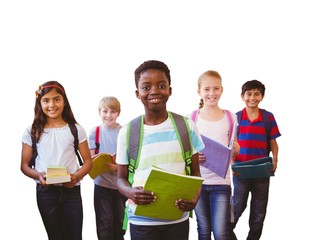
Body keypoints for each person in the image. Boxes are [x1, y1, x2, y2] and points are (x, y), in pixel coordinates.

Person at [115, 60, 205, 240]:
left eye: (161, 85)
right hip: (142, 222)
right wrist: (130, 192)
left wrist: (194, 199)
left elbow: (195, 173)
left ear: (170, 90)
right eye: (146, 87)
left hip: (177, 220)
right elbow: (120, 179)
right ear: (137, 93)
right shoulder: (128, 131)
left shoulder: (187, 126)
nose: (154, 91)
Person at [20, 81, 93, 240]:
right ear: (39, 103)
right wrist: (39, 176)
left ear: (64, 101)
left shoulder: (75, 129)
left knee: (75, 236)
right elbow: (24, 166)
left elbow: (88, 162)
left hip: (71, 191)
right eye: (46, 100)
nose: (52, 104)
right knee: (55, 236)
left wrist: (76, 177)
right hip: (46, 193)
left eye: (57, 99)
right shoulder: (32, 131)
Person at [190, 70, 240, 240]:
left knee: (221, 232)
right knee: (203, 230)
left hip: (221, 182)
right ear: (199, 92)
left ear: (222, 90)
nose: (212, 94)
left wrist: (235, 150)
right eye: (207, 89)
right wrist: (194, 156)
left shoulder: (230, 117)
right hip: (198, 183)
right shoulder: (192, 118)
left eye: (216, 88)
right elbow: (186, 152)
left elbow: (234, 147)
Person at [229, 80, 281, 240]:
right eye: (249, 94)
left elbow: (273, 142)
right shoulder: (235, 118)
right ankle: (225, 233)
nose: (252, 97)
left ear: (262, 96)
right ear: (242, 96)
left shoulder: (268, 117)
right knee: (236, 207)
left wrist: (275, 161)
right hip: (241, 173)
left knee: (258, 213)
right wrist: (232, 165)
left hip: (262, 173)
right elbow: (230, 144)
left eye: (256, 94)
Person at [88, 96, 127, 240]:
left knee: (120, 221)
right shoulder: (95, 132)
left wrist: (118, 168)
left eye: (113, 112)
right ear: (99, 112)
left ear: (118, 113)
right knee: (104, 222)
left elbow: (131, 160)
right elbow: (90, 159)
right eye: (105, 111)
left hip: (120, 184)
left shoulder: (124, 132)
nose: (108, 115)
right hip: (101, 185)